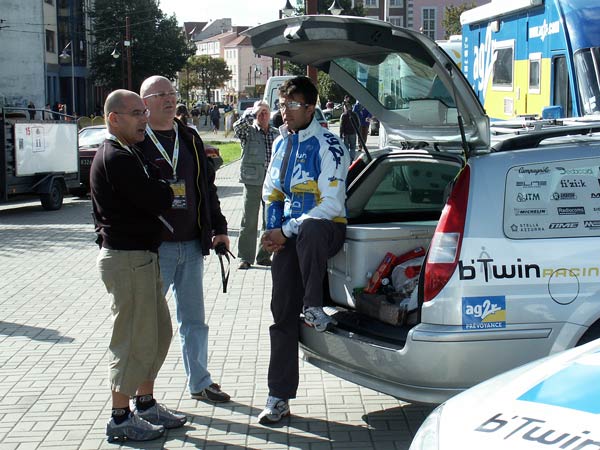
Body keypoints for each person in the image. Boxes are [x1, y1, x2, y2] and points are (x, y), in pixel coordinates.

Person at [91, 89, 186, 442]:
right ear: (114, 118)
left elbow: (158, 191)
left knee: (157, 334)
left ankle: (144, 403)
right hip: (128, 260)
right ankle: (120, 418)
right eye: (135, 113)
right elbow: (157, 197)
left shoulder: (130, 152)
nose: (144, 118)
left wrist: (160, 188)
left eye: (143, 111)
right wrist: (162, 190)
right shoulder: (116, 157)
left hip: (141, 258)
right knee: (132, 340)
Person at [258, 76, 350, 425]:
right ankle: (278, 398)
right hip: (287, 237)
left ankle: (313, 306)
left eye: (292, 105)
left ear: (311, 107)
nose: (285, 112)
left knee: (310, 227)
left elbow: (331, 204)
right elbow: (272, 192)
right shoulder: (282, 145)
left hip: (325, 231)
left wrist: (286, 230)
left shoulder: (331, 145)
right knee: (281, 315)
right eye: (282, 105)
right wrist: (272, 232)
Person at [138, 75, 232, 404]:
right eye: (161, 94)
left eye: (172, 93)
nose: (169, 99)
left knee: (194, 320)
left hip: (192, 243)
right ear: (145, 101)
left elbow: (207, 187)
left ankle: (200, 382)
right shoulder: (138, 139)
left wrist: (219, 227)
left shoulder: (188, 136)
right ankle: (142, 394)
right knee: (148, 323)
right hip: (154, 247)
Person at [233, 100, 278, 270]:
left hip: (272, 184)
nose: (263, 115)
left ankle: (264, 256)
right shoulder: (248, 132)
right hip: (252, 182)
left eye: (266, 111)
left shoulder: (275, 134)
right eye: (260, 113)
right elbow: (238, 126)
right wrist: (251, 112)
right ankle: (245, 257)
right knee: (249, 221)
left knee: (269, 222)